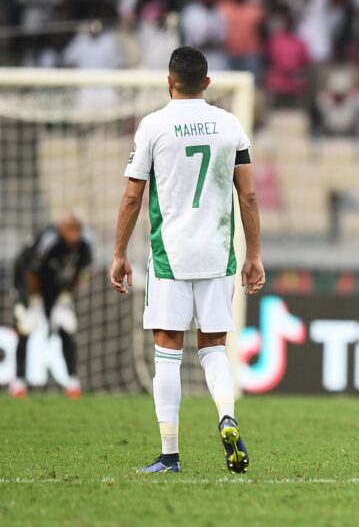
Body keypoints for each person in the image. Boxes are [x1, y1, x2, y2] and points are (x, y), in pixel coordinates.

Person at [109, 46, 265, 473]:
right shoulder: (229, 125)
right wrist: (254, 254)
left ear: (169, 81)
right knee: (214, 348)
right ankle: (226, 415)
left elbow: (132, 197)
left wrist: (119, 253)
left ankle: (170, 455)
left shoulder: (153, 126)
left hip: (170, 257)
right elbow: (248, 195)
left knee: (167, 353)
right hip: (217, 253)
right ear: (207, 83)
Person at [8, 214, 93, 398]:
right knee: (25, 327)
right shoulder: (49, 240)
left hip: (56, 287)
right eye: (71, 230)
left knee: (66, 327)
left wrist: (66, 297)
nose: (75, 235)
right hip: (28, 285)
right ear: (62, 229)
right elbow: (31, 271)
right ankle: (19, 381)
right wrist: (34, 300)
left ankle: (73, 381)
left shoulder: (84, 245)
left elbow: (81, 273)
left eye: (77, 230)